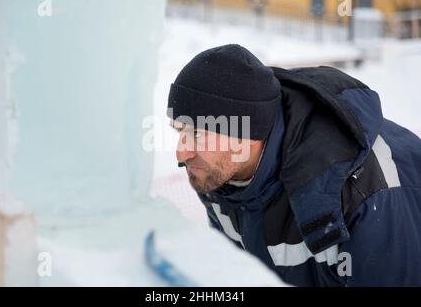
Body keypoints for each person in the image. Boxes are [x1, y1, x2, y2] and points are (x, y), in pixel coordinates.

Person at [166, 44, 421, 286]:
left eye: (198, 133)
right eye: (180, 131)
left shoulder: (363, 194)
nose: (182, 153)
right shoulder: (219, 176)